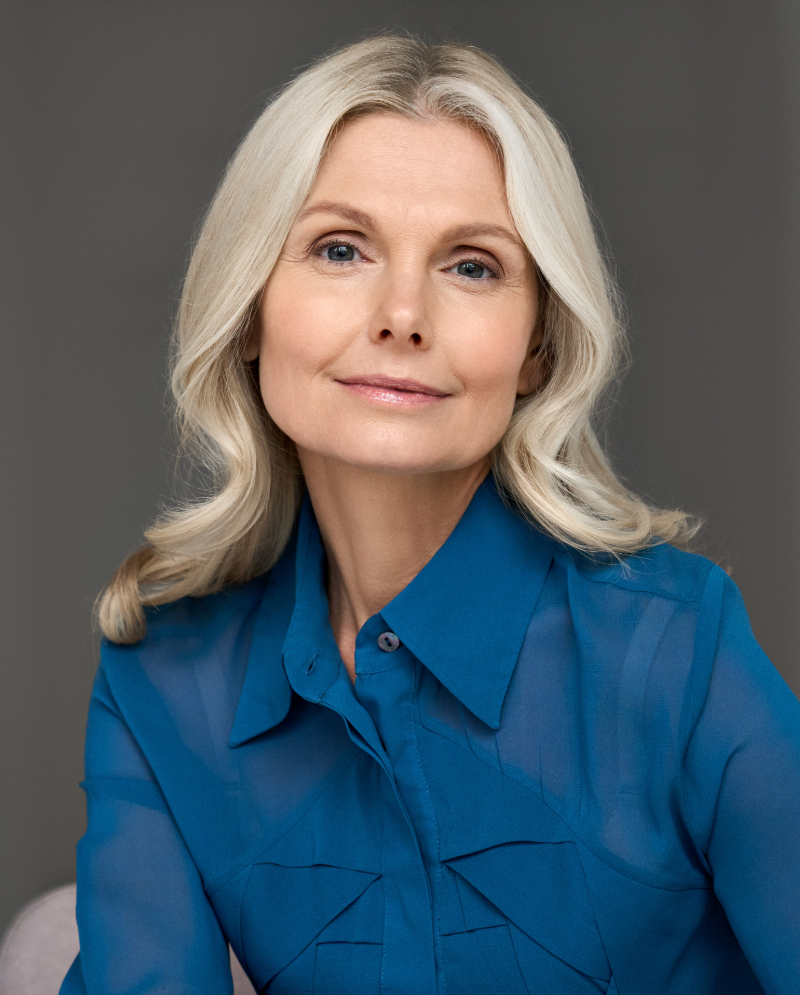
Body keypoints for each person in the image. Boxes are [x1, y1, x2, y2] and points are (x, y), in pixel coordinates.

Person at [60, 34, 800, 995]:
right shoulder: (163, 676)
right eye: (340, 248)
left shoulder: (678, 646)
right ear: (250, 311)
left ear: (536, 350)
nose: (402, 313)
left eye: (473, 266)